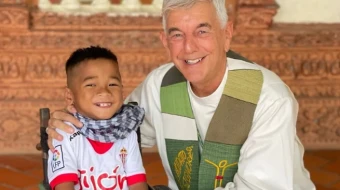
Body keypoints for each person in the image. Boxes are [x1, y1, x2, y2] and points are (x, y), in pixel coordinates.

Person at [46, 1, 316, 190]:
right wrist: (70, 126)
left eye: (202, 30)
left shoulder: (268, 98)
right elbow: (113, 126)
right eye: (177, 34)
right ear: (165, 41)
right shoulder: (161, 85)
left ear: (227, 34)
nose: (189, 47)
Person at [47, 46, 148, 190]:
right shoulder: (66, 132)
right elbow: (64, 185)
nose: (104, 91)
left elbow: (137, 182)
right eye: (91, 85)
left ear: (122, 92)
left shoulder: (127, 131)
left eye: (112, 84)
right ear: (70, 96)